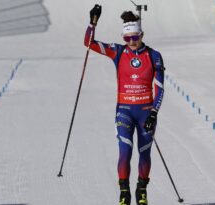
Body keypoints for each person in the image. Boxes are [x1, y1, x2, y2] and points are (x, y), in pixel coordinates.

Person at [84, 4, 165, 205]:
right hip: (125, 111)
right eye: (127, 38)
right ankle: (124, 192)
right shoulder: (118, 52)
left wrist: (154, 112)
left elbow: (160, 88)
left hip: (146, 112)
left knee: (144, 152)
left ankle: (142, 190)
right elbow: (89, 43)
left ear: (141, 35)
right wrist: (92, 23)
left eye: (135, 38)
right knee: (125, 152)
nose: (131, 42)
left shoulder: (154, 56)